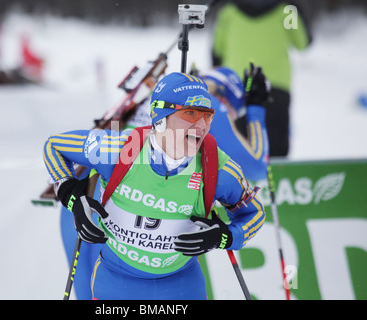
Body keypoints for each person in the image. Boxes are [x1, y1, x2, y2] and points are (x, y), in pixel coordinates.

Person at [44, 72, 265, 300]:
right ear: (160, 118)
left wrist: (225, 237)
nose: (201, 125)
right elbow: (54, 146)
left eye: (207, 115)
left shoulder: (218, 169)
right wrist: (71, 195)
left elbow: (255, 213)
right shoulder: (119, 150)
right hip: (116, 282)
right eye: (190, 113)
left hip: (181, 286)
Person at [211, 0, 312, 157]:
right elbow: (303, 44)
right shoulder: (287, 11)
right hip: (275, 85)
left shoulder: (228, 11)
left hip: (237, 86)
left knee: (240, 147)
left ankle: (240, 178)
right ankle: (279, 178)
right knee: (276, 144)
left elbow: (217, 50)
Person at [199, 63, 270, 182]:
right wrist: (255, 107)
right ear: (225, 100)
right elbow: (258, 169)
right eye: (236, 112)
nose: (233, 119)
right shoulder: (212, 105)